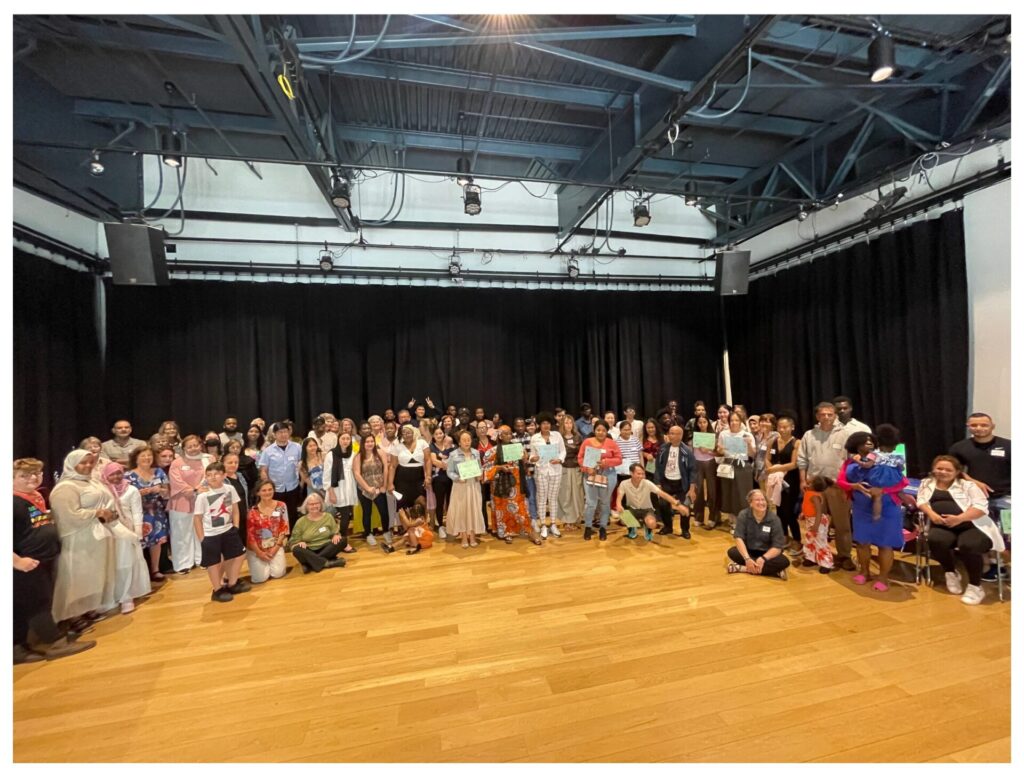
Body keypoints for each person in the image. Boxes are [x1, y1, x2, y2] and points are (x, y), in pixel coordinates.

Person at [13, 458, 96, 663]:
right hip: (25, 563)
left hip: (41, 559)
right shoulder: (12, 503)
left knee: (22, 604)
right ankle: (55, 643)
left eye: (36, 473)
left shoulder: (33, 497)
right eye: (24, 475)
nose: (33, 478)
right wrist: (17, 562)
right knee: (38, 603)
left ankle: (17, 648)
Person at [917, 455, 1005, 605]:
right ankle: (950, 572)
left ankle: (975, 586)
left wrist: (959, 518)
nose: (943, 472)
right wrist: (931, 514)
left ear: (957, 472)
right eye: (939, 468)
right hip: (942, 525)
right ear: (933, 469)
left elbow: (981, 507)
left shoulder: (968, 486)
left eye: (948, 470)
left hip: (972, 525)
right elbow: (921, 501)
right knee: (935, 540)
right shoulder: (926, 483)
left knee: (969, 545)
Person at [48, 450, 117, 625]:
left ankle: (87, 608)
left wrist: (108, 513)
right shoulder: (65, 487)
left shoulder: (91, 481)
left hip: (97, 533)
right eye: (83, 462)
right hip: (78, 536)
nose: (88, 466)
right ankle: (72, 615)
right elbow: (68, 515)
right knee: (76, 576)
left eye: (90, 462)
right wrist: (97, 512)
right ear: (72, 464)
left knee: (92, 574)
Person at [839, 428, 910, 592]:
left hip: (888, 506)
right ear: (856, 445)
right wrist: (854, 486)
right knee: (862, 542)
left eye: (871, 441)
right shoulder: (850, 462)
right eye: (865, 442)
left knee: (885, 544)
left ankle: (883, 577)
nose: (869, 444)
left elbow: (901, 482)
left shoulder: (888, 459)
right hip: (861, 507)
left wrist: (883, 490)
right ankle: (864, 572)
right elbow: (841, 482)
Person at [950, 412, 1011, 582]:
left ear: (992, 426)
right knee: (983, 532)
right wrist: (973, 481)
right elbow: (952, 470)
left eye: (984, 425)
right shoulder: (959, 447)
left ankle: (1003, 563)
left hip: (1006, 497)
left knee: (1008, 534)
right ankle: (989, 565)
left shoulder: (1009, 446)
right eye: (974, 425)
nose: (979, 428)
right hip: (976, 500)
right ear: (968, 427)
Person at [797, 401, 856, 571]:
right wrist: (802, 480)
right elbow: (802, 460)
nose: (826, 417)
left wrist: (847, 485)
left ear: (835, 415)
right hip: (815, 486)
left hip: (838, 486)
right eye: (823, 414)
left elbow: (851, 460)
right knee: (815, 523)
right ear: (817, 416)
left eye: (830, 414)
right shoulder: (809, 435)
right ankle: (815, 554)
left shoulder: (845, 434)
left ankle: (844, 556)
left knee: (842, 524)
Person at [193, 462, 250, 602]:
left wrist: (235, 526)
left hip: (228, 529)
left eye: (216, 474)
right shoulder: (203, 496)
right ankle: (217, 589)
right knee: (214, 563)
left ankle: (232, 583)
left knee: (238, 555)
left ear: (224, 475)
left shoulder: (229, 489)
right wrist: (202, 539)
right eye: (209, 475)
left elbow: (235, 509)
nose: (212, 477)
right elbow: (197, 519)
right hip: (210, 534)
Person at [99, 463, 151, 614]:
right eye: (112, 474)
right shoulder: (102, 490)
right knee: (111, 565)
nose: (116, 477)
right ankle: (111, 597)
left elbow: (137, 512)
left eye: (119, 473)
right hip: (108, 531)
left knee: (125, 564)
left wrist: (138, 532)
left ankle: (127, 596)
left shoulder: (131, 490)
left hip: (126, 531)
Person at [487, 427, 541, 545]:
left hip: (517, 485)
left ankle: (530, 531)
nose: (509, 436)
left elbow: (524, 462)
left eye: (510, 433)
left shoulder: (517, 447)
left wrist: (526, 459)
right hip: (501, 485)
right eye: (505, 434)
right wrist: (500, 467)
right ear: (500, 436)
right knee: (503, 510)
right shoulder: (493, 451)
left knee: (522, 509)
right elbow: (486, 468)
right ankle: (506, 532)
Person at [125, 446, 170, 582]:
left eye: (149, 455)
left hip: (156, 511)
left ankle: (155, 570)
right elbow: (124, 496)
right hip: (138, 512)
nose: (147, 458)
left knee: (156, 541)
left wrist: (161, 490)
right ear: (136, 458)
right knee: (139, 541)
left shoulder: (159, 472)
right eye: (143, 455)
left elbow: (167, 491)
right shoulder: (128, 476)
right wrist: (140, 493)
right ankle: (140, 573)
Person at [726, 489, 790, 580]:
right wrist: (747, 558)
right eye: (757, 500)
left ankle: (742, 568)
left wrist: (763, 559)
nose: (761, 502)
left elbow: (777, 547)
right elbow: (738, 538)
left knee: (784, 561)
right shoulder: (743, 515)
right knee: (732, 552)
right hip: (749, 551)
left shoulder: (774, 519)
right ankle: (774, 571)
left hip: (767, 553)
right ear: (751, 503)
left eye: (763, 500)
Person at [167, 435, 208, 574]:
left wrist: (201, 490)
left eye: (196, 445)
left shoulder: (207, 459)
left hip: (202, 501)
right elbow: (176, 482)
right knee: (181, 533)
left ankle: (202, 559)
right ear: (183, 448)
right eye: (189, 446)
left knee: (201, 531)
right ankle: (183, 563)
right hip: (181, 502)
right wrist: (195, 490)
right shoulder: (177, 463)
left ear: (200, 445)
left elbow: (210, 476)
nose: (193, 448)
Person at [616, 463, 688, 541]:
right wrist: (619, 505)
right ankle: (632, 528)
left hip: (647, 509)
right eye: (638, 474)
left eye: (643, 474)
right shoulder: (624, 483)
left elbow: (662, 494)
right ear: (631, 473)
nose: (641, 476)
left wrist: (678, 504)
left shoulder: (647, 483)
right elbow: (619, 496)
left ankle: (648, 528)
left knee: (652, 524)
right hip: (632, 509)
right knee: (623, 518)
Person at [578, 423, 622, 541]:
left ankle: (603, 527)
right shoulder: (587, 442)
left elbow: (619, 459)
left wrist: (606, 462)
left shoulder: (611, 443)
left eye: (603, 430)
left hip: (608, 475)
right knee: (590, 503)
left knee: (605, 502)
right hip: (591, 475)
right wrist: (587, 468)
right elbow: (580, 458)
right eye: (598, 430)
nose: (600, 432)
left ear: (607, 431)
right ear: (594, 430)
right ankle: (588, 527)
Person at [764, 415, 802, 554]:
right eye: (780, 427)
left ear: (792, 427)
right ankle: (784, 535)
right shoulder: (773, 441)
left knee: (789, 511)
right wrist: (771, 469)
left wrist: (775, 469)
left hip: (790, 480)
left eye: (785, 427)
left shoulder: (796, 443)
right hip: (775, 480)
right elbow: (767, 458)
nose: (782, 429)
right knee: (779, 510)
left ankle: (797, 540)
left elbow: (794, 464)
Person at [654, 425, 698, 538]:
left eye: (674, 433)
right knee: (663, 504)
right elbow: (658, 467)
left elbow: (693, 470)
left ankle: (685, 530)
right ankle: (668, 527)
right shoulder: (663, 449)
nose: (671, 435)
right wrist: (658, 483)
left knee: (684, 506)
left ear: (680, 436)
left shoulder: (687, 451)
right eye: (670, 433)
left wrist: (692, 489)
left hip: (682, 484)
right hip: (666, 482)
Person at [715, 412, 756, 533]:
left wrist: (749, 444)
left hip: (743, 466)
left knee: (743, 494)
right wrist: (720, 449)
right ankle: (733, 522)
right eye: (731, 420)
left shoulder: (747, 435)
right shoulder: (724, 434)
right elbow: (720, 451)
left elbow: (752, 454)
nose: (734, 423)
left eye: (736, 420)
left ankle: (744, 521)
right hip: (728, 465)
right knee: (729, 493)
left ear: (741, 421)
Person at [352, 434, 393, 552]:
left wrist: (384, 485)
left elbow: (385, 469)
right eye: (367, 442)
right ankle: (368, 534)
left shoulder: (380, 453)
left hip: (379, 488)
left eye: (371, 441)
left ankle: (386, 531)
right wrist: (367, 488)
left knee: (384, 512)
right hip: (364, 489)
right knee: (367, 512)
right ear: (363, 443)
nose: (370, 444)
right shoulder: (358, 456)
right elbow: (357, 474)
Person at [258, 422, 303, 529]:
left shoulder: (297, 447)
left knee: (292, 513)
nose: (283, 434)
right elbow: (263, 470)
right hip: (276, 489)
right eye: (280, 432)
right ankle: (279, 535)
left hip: (293, 487)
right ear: (274, 434)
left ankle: (292, 535)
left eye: (285, 431)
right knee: (276, 515)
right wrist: (268, 487)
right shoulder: (268, 451)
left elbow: (302, 465)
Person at [446, 430, 486, 549]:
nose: (467, 442)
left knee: (474, 509)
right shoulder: (453, 454)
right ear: (459, 442)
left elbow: (479, 468)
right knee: (461, 511)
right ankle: (463, 536)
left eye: (468, 440)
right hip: (460, 486)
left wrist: (480, 474)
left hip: (474, 485)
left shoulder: (476, 453)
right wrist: (457, 478)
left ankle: (472, 536)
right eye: (464, 440)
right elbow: (449, 471)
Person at [245, 478, 290, 584]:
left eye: (270, 489)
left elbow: (284, 528)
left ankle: (271, 563)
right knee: (260, 579)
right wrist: (259, 553)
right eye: (264, 490)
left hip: (275, 545)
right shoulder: (252, 512)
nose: (267, 492)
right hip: (257, 549)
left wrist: (275, 548)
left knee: (278, 573)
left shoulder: (281, 506)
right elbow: (250, 536)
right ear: (258, 492)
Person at [289, 492, 347, 572]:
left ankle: (310, 563)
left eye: (317, 503)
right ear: (306, 506)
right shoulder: (300, 522)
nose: (314, 506)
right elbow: (293, 542)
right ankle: (327, 563)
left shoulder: (328, 517)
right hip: (309, 550)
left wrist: (336, 535)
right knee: (297, 550)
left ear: (321, 504)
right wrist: (299, 542)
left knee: (342, 540)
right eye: (311, 504)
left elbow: (335, 532)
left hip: (326, 547)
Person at [529, 413, 565, 539]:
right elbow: (532, 455)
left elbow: (563, 451)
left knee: (553, 498)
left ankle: (553, 524)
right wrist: (533, 458)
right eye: (543, 423)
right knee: (542, 498)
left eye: (548, 423)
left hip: (556, 470)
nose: (546, 425)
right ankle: (543, 524)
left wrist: (559, 459)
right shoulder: (535, 438)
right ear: (539, 425)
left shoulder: (557, 435)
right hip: (541, 471)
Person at [322, 432, 358, 554]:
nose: (345, 441)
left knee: (346, 515)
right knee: (344, 515)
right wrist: (331, 492)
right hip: (337, 488)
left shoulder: (352, 453)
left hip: (349, 488)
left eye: (348, 438)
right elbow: (327, 475)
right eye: (343, 438)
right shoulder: (331, 454)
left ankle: (341, 540)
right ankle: (343, 542)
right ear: (338, 440)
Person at [387, 425, 432, 520]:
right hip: (402, 479)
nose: (406, 435)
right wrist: (390, 483)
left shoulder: (422, 443)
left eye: (408, 432)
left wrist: (428, 476)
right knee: (402, 505)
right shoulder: (397, 447)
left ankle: (422, 526)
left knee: (422, 503)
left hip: (419, 477)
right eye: (404, 433)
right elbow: (392, 466)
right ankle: (407, 526)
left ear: (413, 433)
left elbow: (428, 460)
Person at [690, 415, 718, 529]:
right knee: (699, 490)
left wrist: (708, 451)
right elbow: (692, 451)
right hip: (697, 463)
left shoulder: (713, 435)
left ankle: (713, 517)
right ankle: (698, 517)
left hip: (710, 462)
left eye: (704, 422)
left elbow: (718, 453)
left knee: (712, 491)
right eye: (700, 422)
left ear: (708, 423)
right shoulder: (694, 435)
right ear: (697, 424)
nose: (702, 424)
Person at [556, 416, 585, 529]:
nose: (568, 425)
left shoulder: (578, 437)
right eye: (566, 423)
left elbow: (582, 452)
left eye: (570, 423)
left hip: (576, 468)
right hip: (564, 468)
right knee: (565, 494)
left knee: (577, 494)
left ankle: (577, 518)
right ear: (562, 425)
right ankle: (567, 520)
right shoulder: (558, 438)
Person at [428, 426, 454, 540]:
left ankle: (451, 524)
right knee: (439, 502)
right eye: (436, 434)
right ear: (433, 436)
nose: (439, 435)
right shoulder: (432, 447)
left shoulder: (450, 446)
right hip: (438, 479)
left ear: (444, 434)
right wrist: (448, 465)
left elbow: (455, 459)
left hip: (451, 478)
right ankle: (440, 526)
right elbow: (434, 461)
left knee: (450, 502)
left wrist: (448, 465)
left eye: (440, 433)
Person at [222, 452, 249, 549]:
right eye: (230, 462)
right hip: (229, 517)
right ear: (223, 463)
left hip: (243, 513)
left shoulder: (240, 476)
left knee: (243, 544)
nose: (233, 465)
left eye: (236, 462)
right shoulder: (220, 479)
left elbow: (245, 496)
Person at [475, 423, 498, 533]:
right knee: (482, 501)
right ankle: (483, 526)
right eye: (480, 428)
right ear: (477, 430)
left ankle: (496, 526)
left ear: (487, 429)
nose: (482, 429)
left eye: (484, 427)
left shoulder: (494, 442)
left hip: (494, 475)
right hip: (480, 476)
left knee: (495, 500)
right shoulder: (474, 443)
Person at [754, 414, 778, 491]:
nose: (763, 423)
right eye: (762, 421)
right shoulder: (758, 436)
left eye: (767, 422)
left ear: (773, 424)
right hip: (759, 470)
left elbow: (775, 454)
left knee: (770, 495)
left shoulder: (776, 436)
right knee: (763, 495)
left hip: (770, 469)